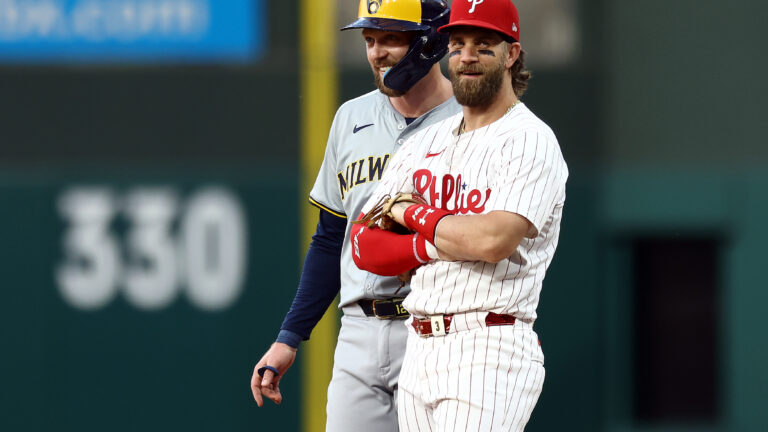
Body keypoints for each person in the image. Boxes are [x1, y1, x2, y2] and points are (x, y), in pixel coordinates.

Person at [350, 0, 569, 430]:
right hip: (420, 344)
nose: (467, 56)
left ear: (512, 55)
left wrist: (412, 214)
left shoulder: (530, 140)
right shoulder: (421, 144)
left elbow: (491, 241)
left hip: (490, 342)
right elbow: (364, 245)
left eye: (483, 45)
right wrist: (442, 240)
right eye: (458, 43)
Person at [250, 1, 460, 431]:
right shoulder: (351, 118)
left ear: (430, 41)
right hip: (358, 331)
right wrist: (290, 336)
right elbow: (331, 238)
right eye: (369, 39)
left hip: (436, 326)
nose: (376, 53)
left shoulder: (469, 121)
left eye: (391, 39)